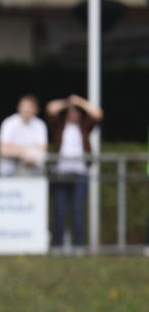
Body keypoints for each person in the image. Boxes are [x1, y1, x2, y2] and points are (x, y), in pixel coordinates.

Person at [45, 94, 103, 249]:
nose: (73, 114)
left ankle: (78, 246)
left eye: (76, 111)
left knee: (78, 211)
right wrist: (67, 103)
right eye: (71, 111)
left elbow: (98, 114)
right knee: (59, 210)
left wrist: (79, 102)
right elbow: (50, 109)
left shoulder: (84, 128)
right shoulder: (59, 127)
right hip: (60, 174)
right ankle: (57, 246)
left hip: (80, 174)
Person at [0, 95, 48, 177]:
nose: (27, 110)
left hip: (34, 172)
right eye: (25, 106)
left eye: (30, 107)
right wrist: (25, 154)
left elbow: (42, 150)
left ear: (36, 109)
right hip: (10, 173)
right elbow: (3, 150)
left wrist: (15, 149)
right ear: (19, 107)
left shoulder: (40, 125)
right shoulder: (8, 123)